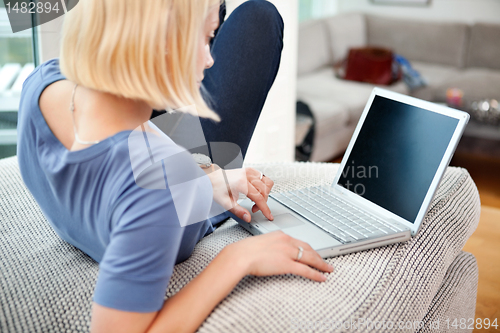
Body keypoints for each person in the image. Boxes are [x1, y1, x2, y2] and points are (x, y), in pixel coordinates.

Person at [17, 0, 334, 332]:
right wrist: (238, 258)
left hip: (162, 163)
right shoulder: (156, 190)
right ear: (162, 43)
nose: (210, 58)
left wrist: (209, 180)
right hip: (166, 181)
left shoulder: (42, 81)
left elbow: (126, 155)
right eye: (207, 37)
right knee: (259, 17)